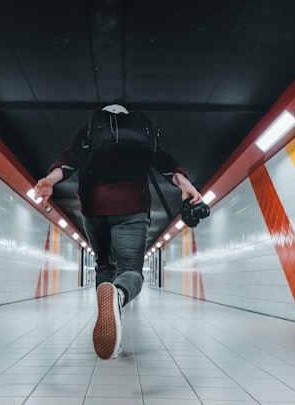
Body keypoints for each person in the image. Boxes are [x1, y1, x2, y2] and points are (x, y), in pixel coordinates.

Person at [33, 104, 202, 359]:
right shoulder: (144, 135)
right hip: (131, 209)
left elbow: (69, 161)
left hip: (93, 209)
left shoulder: (89, 132)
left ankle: (112, 312)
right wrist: (185, 184)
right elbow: (165, 163)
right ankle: (119, 295)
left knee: (104, 267)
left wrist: (49, 181)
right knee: (130, 271)